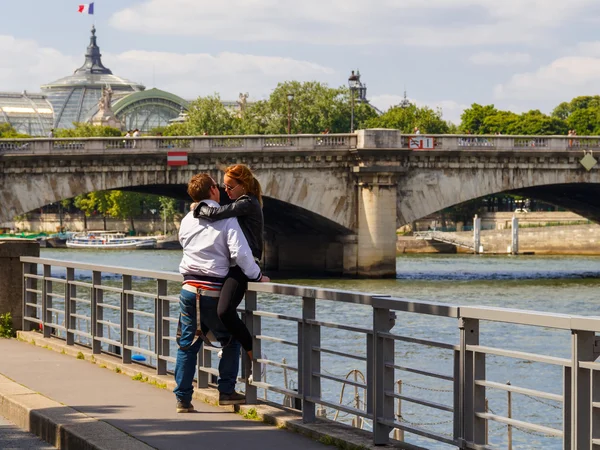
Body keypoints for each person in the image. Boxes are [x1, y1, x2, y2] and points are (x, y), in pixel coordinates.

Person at [174, 173, 270, 413]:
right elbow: (241, 253)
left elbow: (183, 243)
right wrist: (257, 276)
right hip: (212, 289)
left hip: (188, 289)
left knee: (188, 344)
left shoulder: (187, 219)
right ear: (214, 190)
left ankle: (183, 399)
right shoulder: (227, 219)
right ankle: (226, 391)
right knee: (229, 340)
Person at [193, 164, 264, 378]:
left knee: (224, 311)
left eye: (230, 187)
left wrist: (198, 208)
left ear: (243, 185)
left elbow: (218, 213)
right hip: (233, 265)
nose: (226, 191)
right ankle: (226, 345)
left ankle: (256, 357)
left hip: (245, 265)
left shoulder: (247, 203)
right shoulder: (241, 201)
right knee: (215, 310)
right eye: (224, 186)